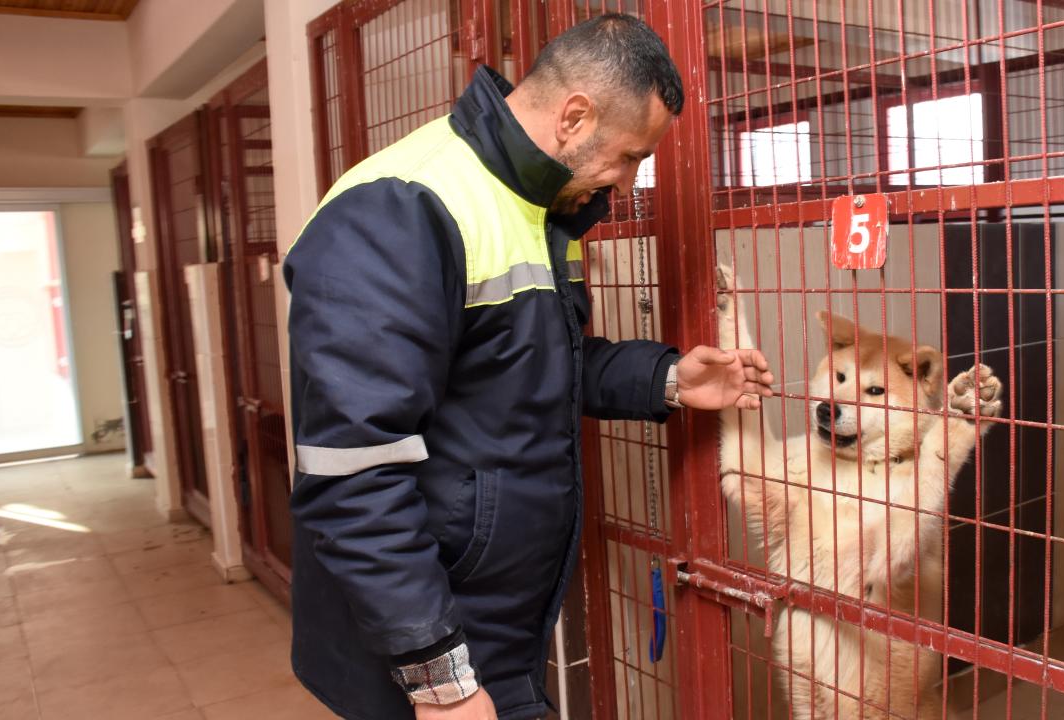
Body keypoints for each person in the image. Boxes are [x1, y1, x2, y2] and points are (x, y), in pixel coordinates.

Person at [284, 13, 774, 720]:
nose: (628, 181)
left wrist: (668, 379)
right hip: (418, 634)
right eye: (630, 156)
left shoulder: (538, 206)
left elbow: (533, 363)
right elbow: (353, 472)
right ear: (575, 117)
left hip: (487, 618)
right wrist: (440, 680)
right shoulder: (401, 208)